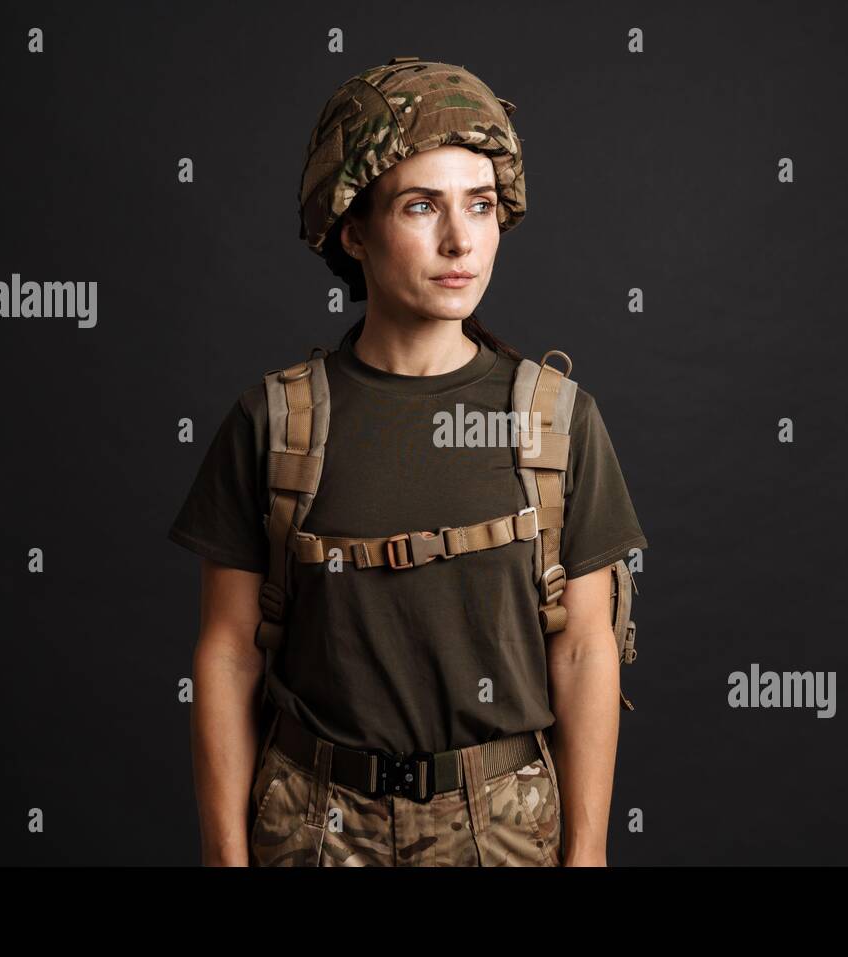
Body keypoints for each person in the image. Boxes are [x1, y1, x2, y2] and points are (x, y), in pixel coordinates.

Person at [167, 57, 648, 866]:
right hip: (311, 827)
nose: (461, 240)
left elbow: (584, 648)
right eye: (421, 206)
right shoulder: (276, 422)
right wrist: (225, 856)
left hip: (507, 832)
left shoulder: (557, 422)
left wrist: (589, 851)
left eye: (482, 206)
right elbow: (226, 651)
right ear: (352, 229)